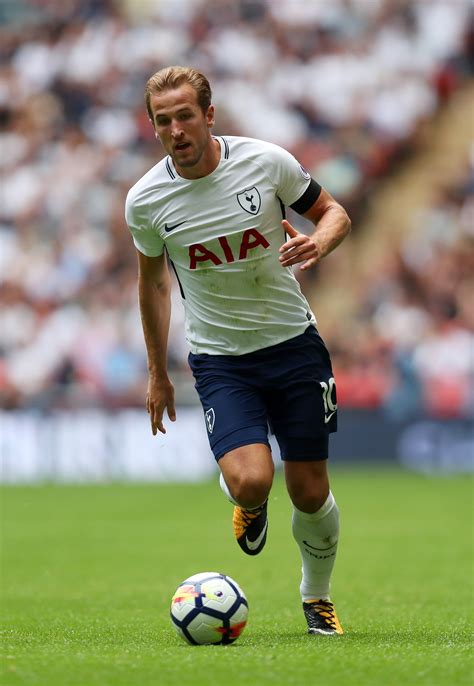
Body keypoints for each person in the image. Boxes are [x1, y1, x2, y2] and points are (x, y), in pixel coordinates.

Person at [125, 66, 351, 636]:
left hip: (294, 344)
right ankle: (249, 504)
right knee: (253, 479)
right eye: (162, 120)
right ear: (152, 127)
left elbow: (335, 213)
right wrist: (157, 372)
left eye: (184, 116)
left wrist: (318, 243)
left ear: (209, 115)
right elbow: (152, 284)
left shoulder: (265, 162)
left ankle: (316, 598)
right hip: (221, 359)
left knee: (310, 490)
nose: (175, 129)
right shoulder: (147, 200)